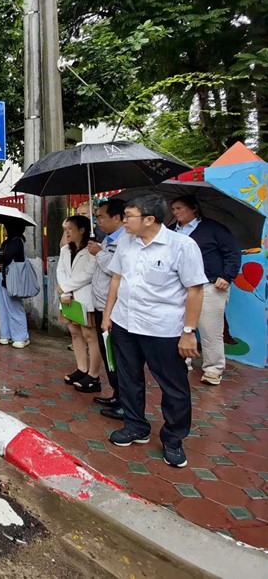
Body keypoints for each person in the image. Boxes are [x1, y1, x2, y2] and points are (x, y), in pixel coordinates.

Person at [102, 194, 206, 468]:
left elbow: (194, 290)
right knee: (128, 378)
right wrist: (108, 315)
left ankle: (173, 438)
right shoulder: (126, 241)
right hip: (125, 323)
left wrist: (188, 331)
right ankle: (136, 426)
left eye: (129, 216)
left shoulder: (182, 246)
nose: (123, 221)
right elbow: (116, 278)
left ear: (149, 219)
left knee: (173, 386)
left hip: (162, 329)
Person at [170, 196, 241, 386]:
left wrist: (227, 275)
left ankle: (213, 368)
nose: (175, 212)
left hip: (209, 284)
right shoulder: (170, 232)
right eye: (173, 209)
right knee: (178, 326)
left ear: (193, 209)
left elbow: (232, 252)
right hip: (178, 286)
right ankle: (183, 361)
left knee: (210, 328)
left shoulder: (213, 229)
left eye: (179, 208)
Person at [87, 198, 126, 419]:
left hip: (115, 307)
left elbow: (117, 271)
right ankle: (117, 394)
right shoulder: (107, 240)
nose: (98, 220)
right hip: (101, 304)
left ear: (117, 218)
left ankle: (125, 400)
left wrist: (99, 254)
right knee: (108, 354)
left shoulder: (125, 242)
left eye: (101, 216)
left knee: (118, 356)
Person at [57, 214, 103, 392]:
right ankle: (82, 368)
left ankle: (93, 374)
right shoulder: (65, 250)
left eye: (70, 229)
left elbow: (89, 273)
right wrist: (65, 290)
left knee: (90, 336)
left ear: (82, 230)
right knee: (74, 333)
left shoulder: (92, 249)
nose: (67, 232)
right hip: (67, 298)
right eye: (66, 229)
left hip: (84, 297)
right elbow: (61, 270)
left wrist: (66, 288)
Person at [0, 223, 30, 348]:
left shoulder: (17, 241)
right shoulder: (6, 242)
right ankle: (6, 334)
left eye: (5, 228)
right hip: (2, 276)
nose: (4, 230)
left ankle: (21, 337)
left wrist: (2, 254)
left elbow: (7, 256)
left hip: (12, 278)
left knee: (14, 306)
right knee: (3, 306)